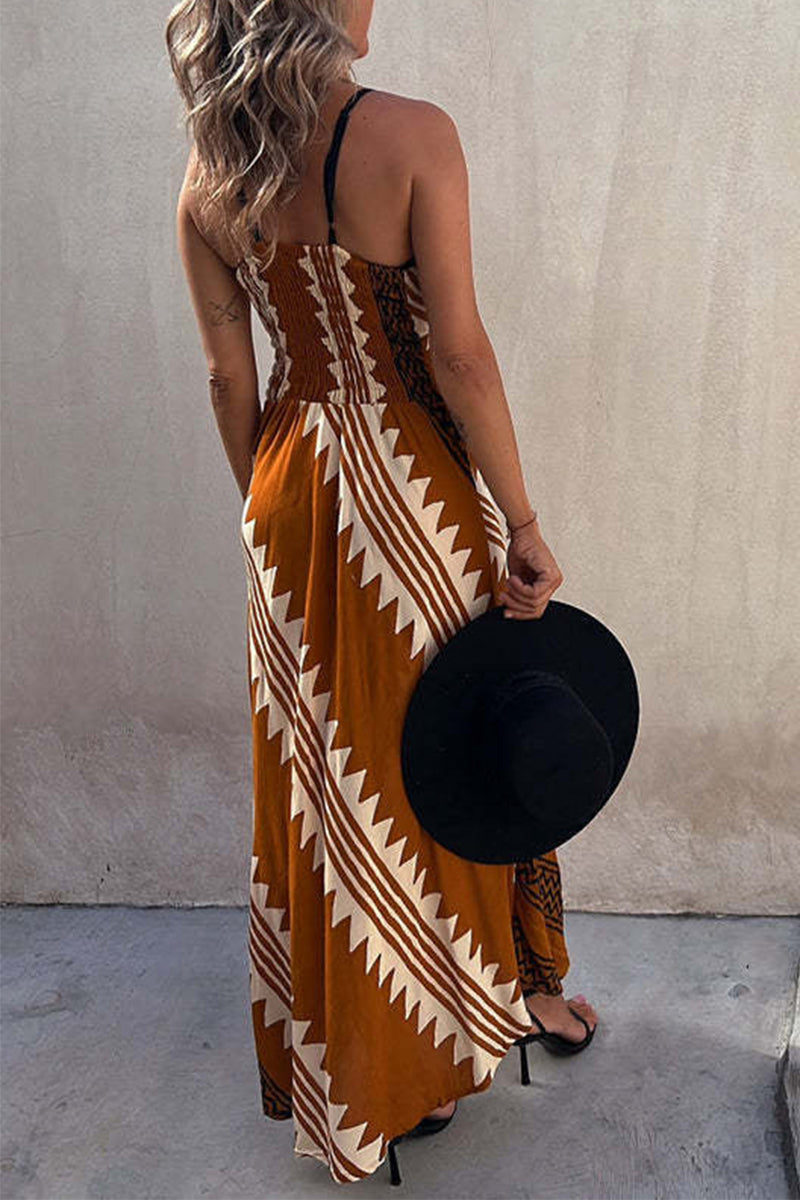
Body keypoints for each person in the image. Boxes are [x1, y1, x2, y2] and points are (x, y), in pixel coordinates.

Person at [167, 0, 598, 1184]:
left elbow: (228, 377)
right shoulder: (411, 137)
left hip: (288, 489)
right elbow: (457, 353)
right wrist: (522, 521)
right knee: (449, 754)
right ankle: (450, 1036)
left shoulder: (208, 175)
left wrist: (274, 517)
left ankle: (368, 1053)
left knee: (329, 781)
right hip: (412, 495)